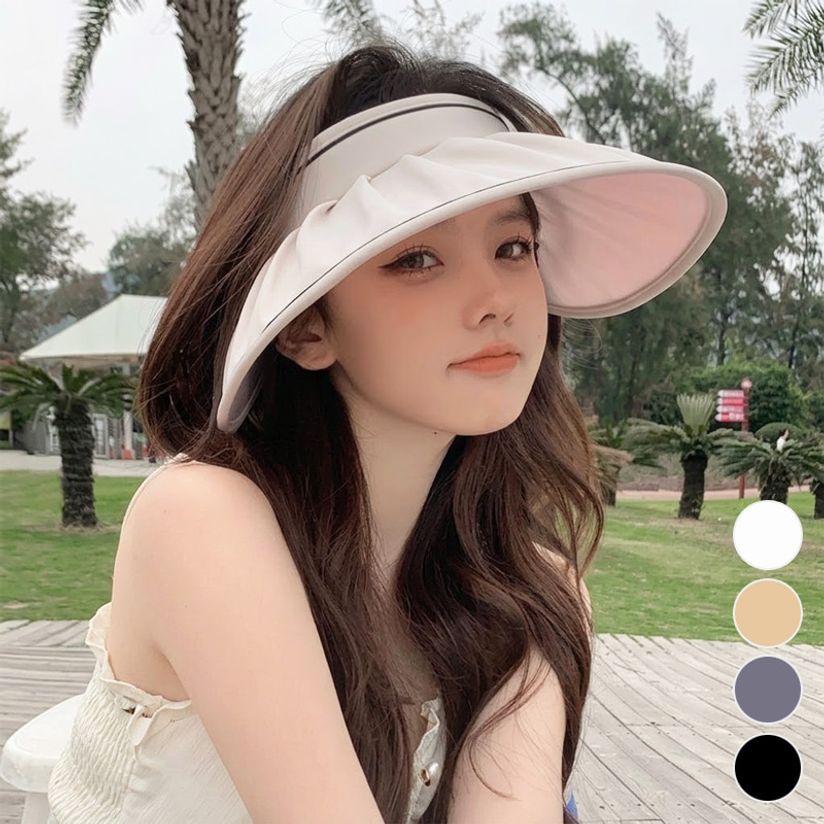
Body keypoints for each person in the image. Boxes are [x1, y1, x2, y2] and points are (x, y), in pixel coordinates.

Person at [46, 37, 726, 824]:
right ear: (304, 326)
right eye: (416, 259)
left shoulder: (525, 587)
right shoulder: (200, 518)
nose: (496, 299)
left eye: (513, 247)